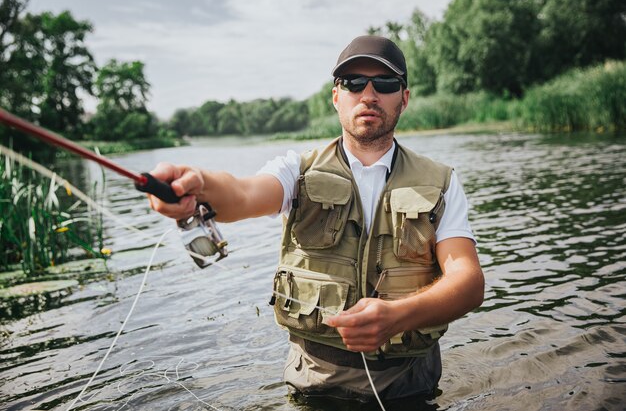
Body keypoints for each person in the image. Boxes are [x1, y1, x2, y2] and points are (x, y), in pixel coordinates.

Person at [147, 35, 484, 405]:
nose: (368, 95)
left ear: (404, 98)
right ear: (336, 97)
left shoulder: (442, 182)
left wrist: (399, 316)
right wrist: (200, 184)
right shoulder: (296, 169)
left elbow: (467, 282)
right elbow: (242, 195)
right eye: (354, 83)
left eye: (385, 84)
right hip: (316, 389)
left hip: (412, 387)